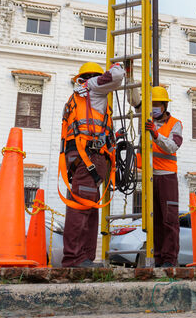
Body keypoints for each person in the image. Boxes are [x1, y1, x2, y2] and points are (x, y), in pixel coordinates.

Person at [59, 61, 124, 268]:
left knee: (89, 207)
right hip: (89, 156)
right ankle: (74, 258)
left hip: (83, 155)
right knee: (81, 208)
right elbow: (116, 76)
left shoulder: (78, 98)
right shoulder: (93, 87)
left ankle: (85, 258)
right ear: (91, 77)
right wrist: (119, 65)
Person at [137, 86, 183, 267]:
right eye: (152, 104)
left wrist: (156, 135)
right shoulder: (147, 120)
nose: (154, 108)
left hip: (167, 177)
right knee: (154, 219)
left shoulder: (175, 124)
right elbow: (134, 101)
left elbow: (172, 146)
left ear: (164, 106)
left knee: (169, 219)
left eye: (157, 104)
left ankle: (170, 260)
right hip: (150, 176)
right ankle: (157, 257)